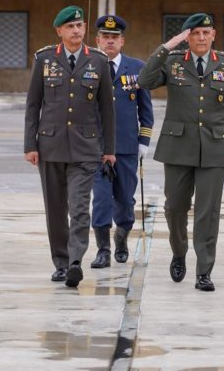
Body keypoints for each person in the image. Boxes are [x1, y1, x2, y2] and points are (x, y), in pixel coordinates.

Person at [137, 12, 224, 292]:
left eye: (205, 33)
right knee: (174, 208)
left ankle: (204, 271)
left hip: (215, 147)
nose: (200, 38)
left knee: (207, 213)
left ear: (213, 35)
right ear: (187, 37)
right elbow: (144, 80)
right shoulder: (173, 62)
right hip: (177, 147)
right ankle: (178, 251)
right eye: (194, 33)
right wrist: (167, 46)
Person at [23, 5, 116, 288]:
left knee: (79, 207)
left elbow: (106, 111)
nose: (76, 31)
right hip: (50, 145)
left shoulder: (98, 60)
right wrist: (30, 144)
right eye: (70, 27)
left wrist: (108, 149)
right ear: (59, 31)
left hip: (86, 148)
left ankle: (76, 261)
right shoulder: (45, 59)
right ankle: (60, 263)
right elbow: (33, 105)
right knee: (55, 208)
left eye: (80, 25)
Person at [90, 14, 153, 269]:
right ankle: (103, 250)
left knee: (125, 200)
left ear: (122, 41)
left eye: (114, 38)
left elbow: (145, 110)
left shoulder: (137, 68)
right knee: (102, 199)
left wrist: (143, 142)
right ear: (97, 40)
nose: (109, 42)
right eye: (105, 37)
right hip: (96, 148)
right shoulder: (90, 65)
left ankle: (122, 238)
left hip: (127, 148)